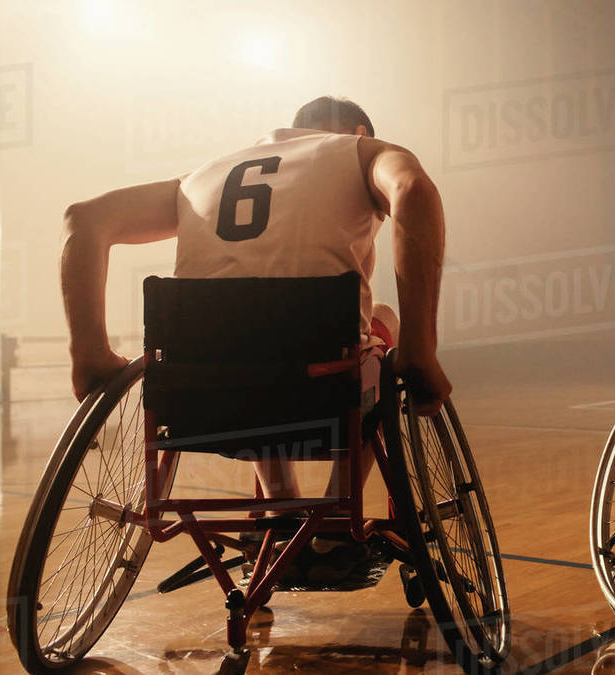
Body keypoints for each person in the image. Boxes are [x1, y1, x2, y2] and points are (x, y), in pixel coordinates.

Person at [60, 96, 451, 583]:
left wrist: (89, 355)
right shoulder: (362, 153)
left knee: (244, 343)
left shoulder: (203, 175)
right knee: (380, 324)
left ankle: (281, 509)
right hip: (320, 387)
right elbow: (413, 188)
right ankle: (330, 519)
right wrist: (421, 348)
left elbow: (84, 219)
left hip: (198, 397)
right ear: (358, 131)